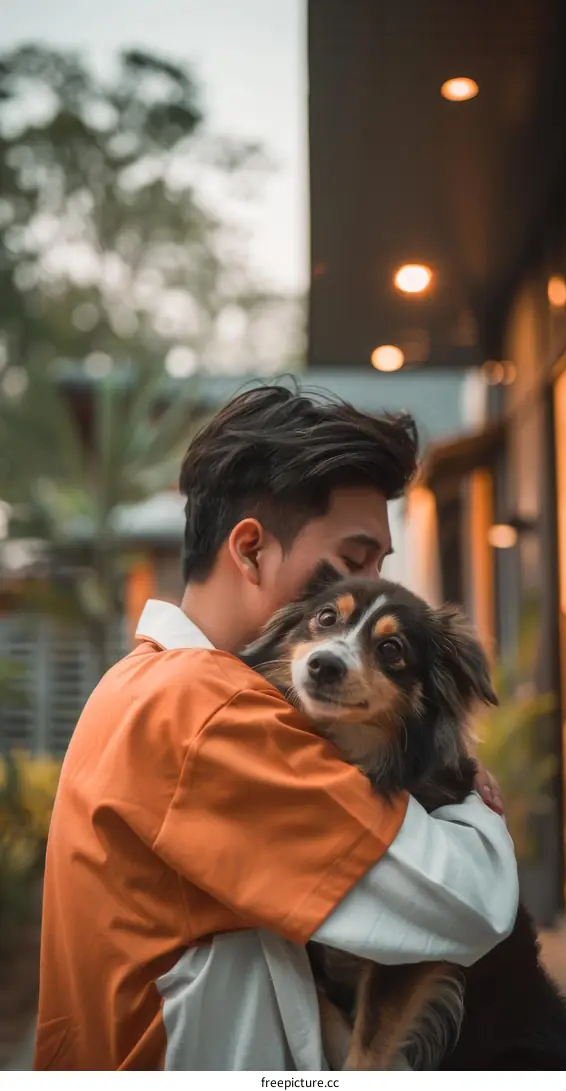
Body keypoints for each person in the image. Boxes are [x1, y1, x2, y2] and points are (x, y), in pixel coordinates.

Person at [34, 385, 517, 1071]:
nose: (372, 589)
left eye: (380, 565)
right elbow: (469, 903)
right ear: (252, 549)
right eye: (353, 561)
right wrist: (468, 802)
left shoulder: (139, 683)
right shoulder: (207, 710)